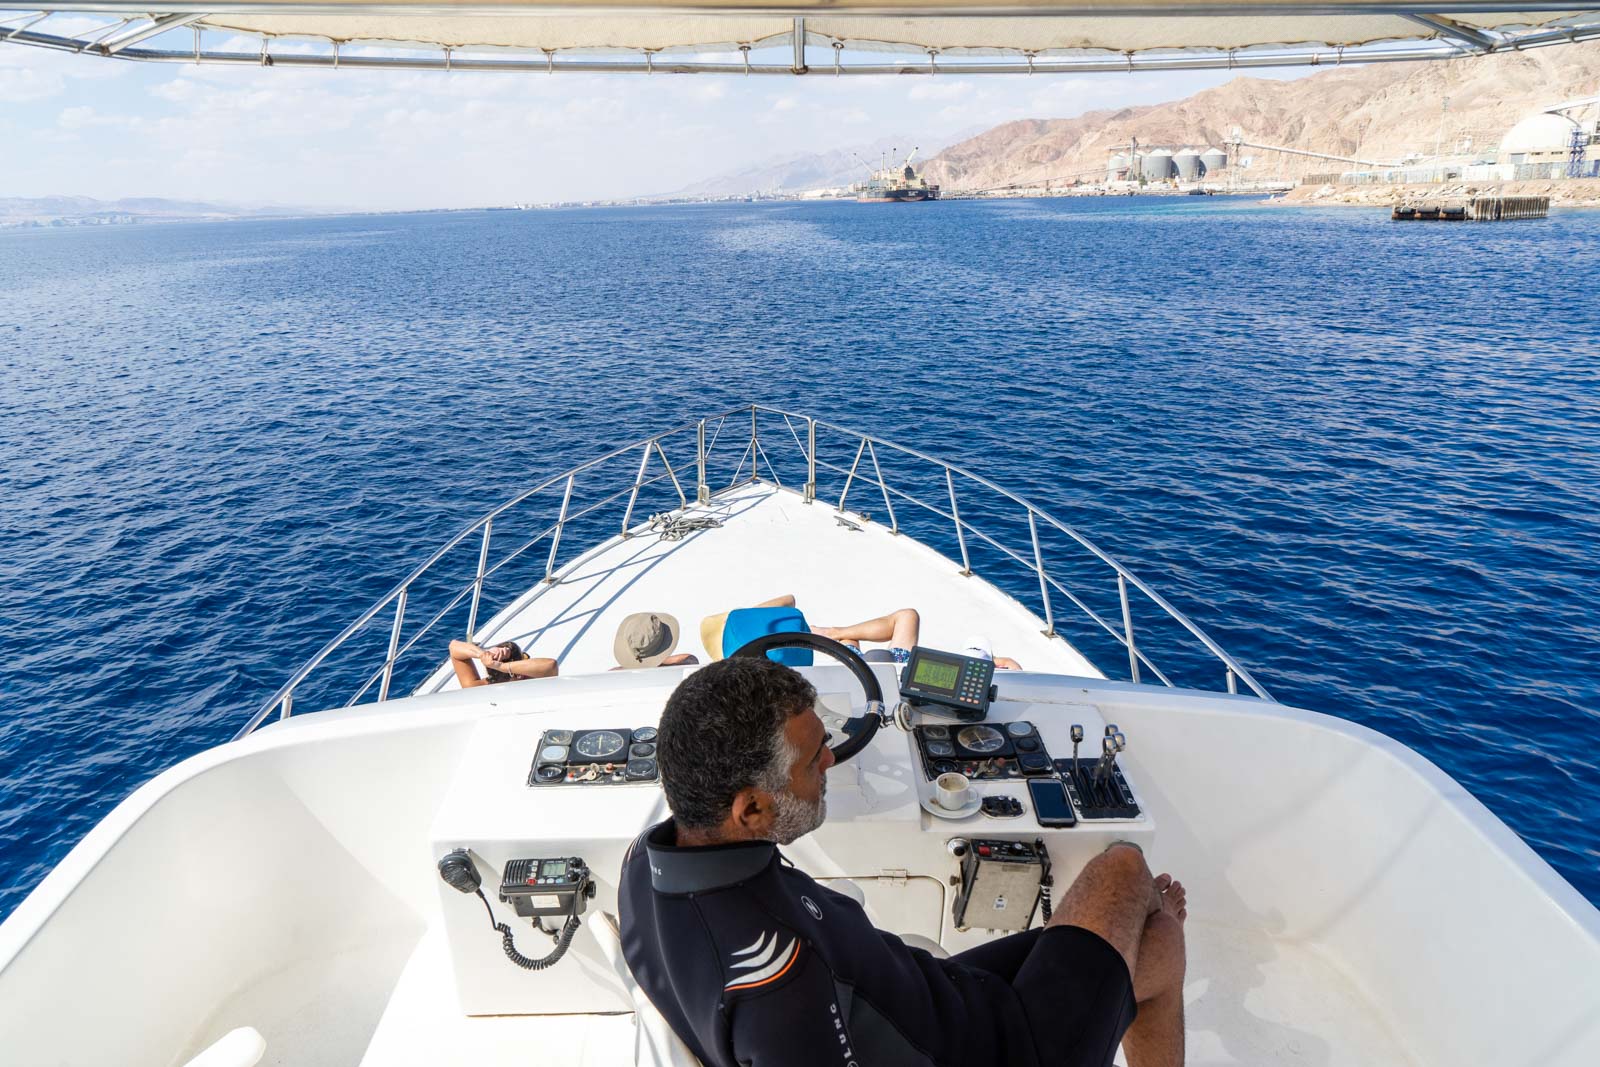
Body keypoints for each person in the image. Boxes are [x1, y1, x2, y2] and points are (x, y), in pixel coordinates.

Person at [619, 657, 1187, 1067]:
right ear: (751, 808)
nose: (831, 759)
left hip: (933, 992)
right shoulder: (779, 982)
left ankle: (1133, 933)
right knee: (1130, 882)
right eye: (811, 759)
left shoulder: (643, 860)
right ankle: (1140, 921)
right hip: (1005, 1047)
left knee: (1146, 933)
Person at [447, 638, 558, 688]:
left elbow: (454, 646)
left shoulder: (477, 687)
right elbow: (551, 665)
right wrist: (501, 666)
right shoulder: (533, 683)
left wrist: (482, 654)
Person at [612, 611, 699, 670]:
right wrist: (660, 661)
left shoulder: (613, 676)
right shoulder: (688, 666)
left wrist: (639, 661)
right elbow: (689, 658)